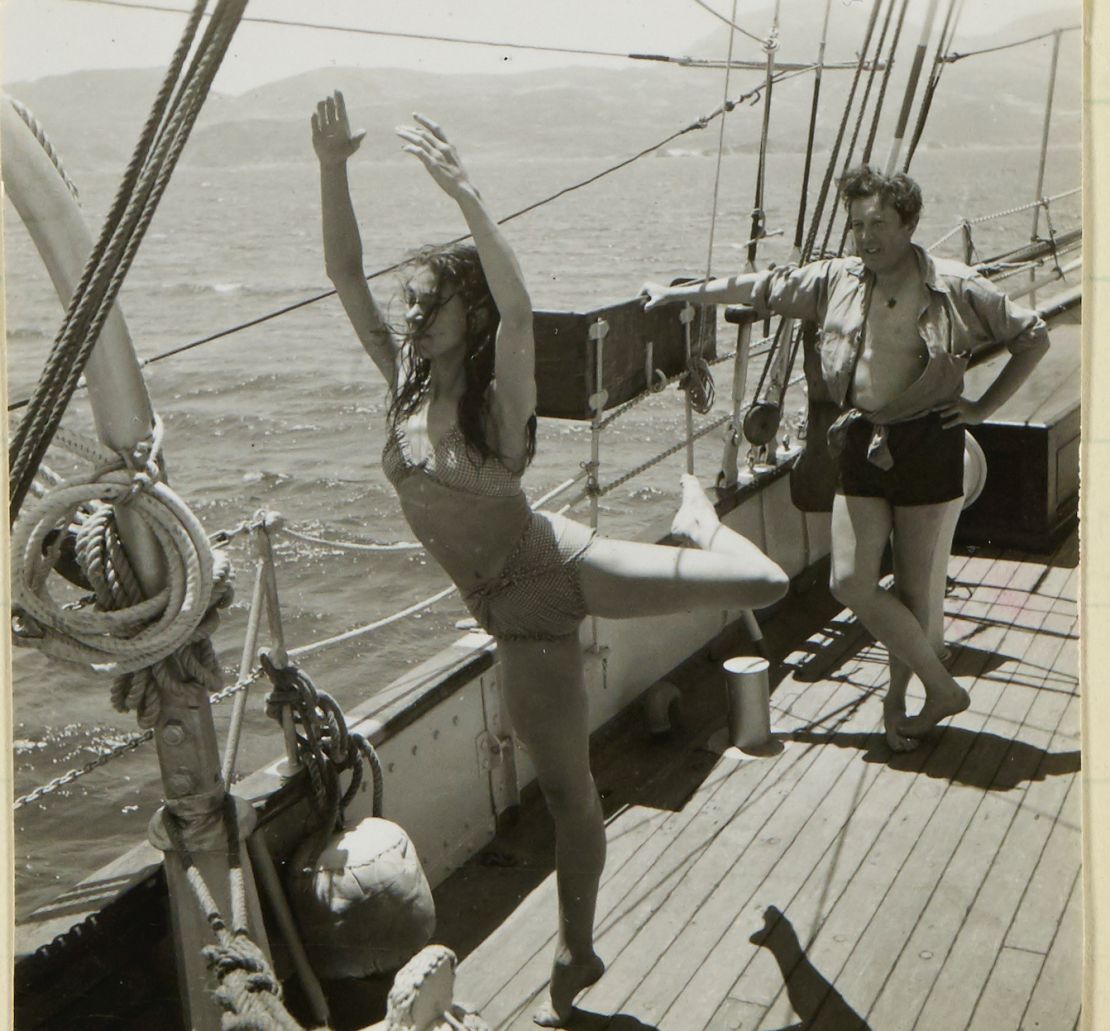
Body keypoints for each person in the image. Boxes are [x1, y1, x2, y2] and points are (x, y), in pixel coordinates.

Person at [312, 91, 789, 1026]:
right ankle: (580, 945)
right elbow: (344, 274)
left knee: (763, 587)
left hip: (547, 576)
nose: (410, 314)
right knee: (569, 791)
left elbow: (522, 309)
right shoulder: (402, 389)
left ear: (468, 316)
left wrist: (465, 192)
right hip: (508, 604)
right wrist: (331, 166)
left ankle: (699, 524)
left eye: (430, 302)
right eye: (411, 301)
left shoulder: (500, 408)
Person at [642, 165, 1049, 753]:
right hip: (861, 441)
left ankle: (897, 702)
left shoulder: (955, 285)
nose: (866, 236)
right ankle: (942, 689)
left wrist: (983, 408)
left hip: (930, 443)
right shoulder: (834, 280)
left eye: (879, 222)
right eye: (857, 225)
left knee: (911, 594)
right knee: (851, 582)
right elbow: (759, 287)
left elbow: (1032, 335)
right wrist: (680, 293)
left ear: (909, 222)